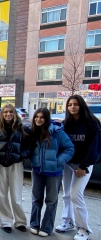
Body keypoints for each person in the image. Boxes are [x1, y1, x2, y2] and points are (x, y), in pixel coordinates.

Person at [55, 95, 101, 240]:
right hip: (68, 164)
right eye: (70, 105)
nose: (72, 107)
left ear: (81, 105)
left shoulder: (92, 124)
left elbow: (95, 148)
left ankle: (84, 229)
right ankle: (67, 221)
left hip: (83, 165)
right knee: (66, 194)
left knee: (76, 195)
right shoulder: (66, 123)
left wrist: (84, 166)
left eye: (75, 104)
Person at [29, 108, 74, 237]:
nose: (38, 119)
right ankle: (34, 224)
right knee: (36, 198)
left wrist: (58, 162)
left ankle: (47, 227)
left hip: (54, 173)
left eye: (42, 117)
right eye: (36, 117)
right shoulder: (33, 131)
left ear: (47, 118)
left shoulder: (57, 132)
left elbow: (69, 148)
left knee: (51, 200)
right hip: (37, 170)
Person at [0, 104, 31, 233]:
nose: (8, 114)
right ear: (2, 114)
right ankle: (5, 221)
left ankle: (20, 221)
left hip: (16, 164)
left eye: (11, 112)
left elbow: (29, 147)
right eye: (5, 112)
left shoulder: (23, 129)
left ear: (15, 114)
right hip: (0, 164)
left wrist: (21, 156)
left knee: (16, 194)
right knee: (1, 194)